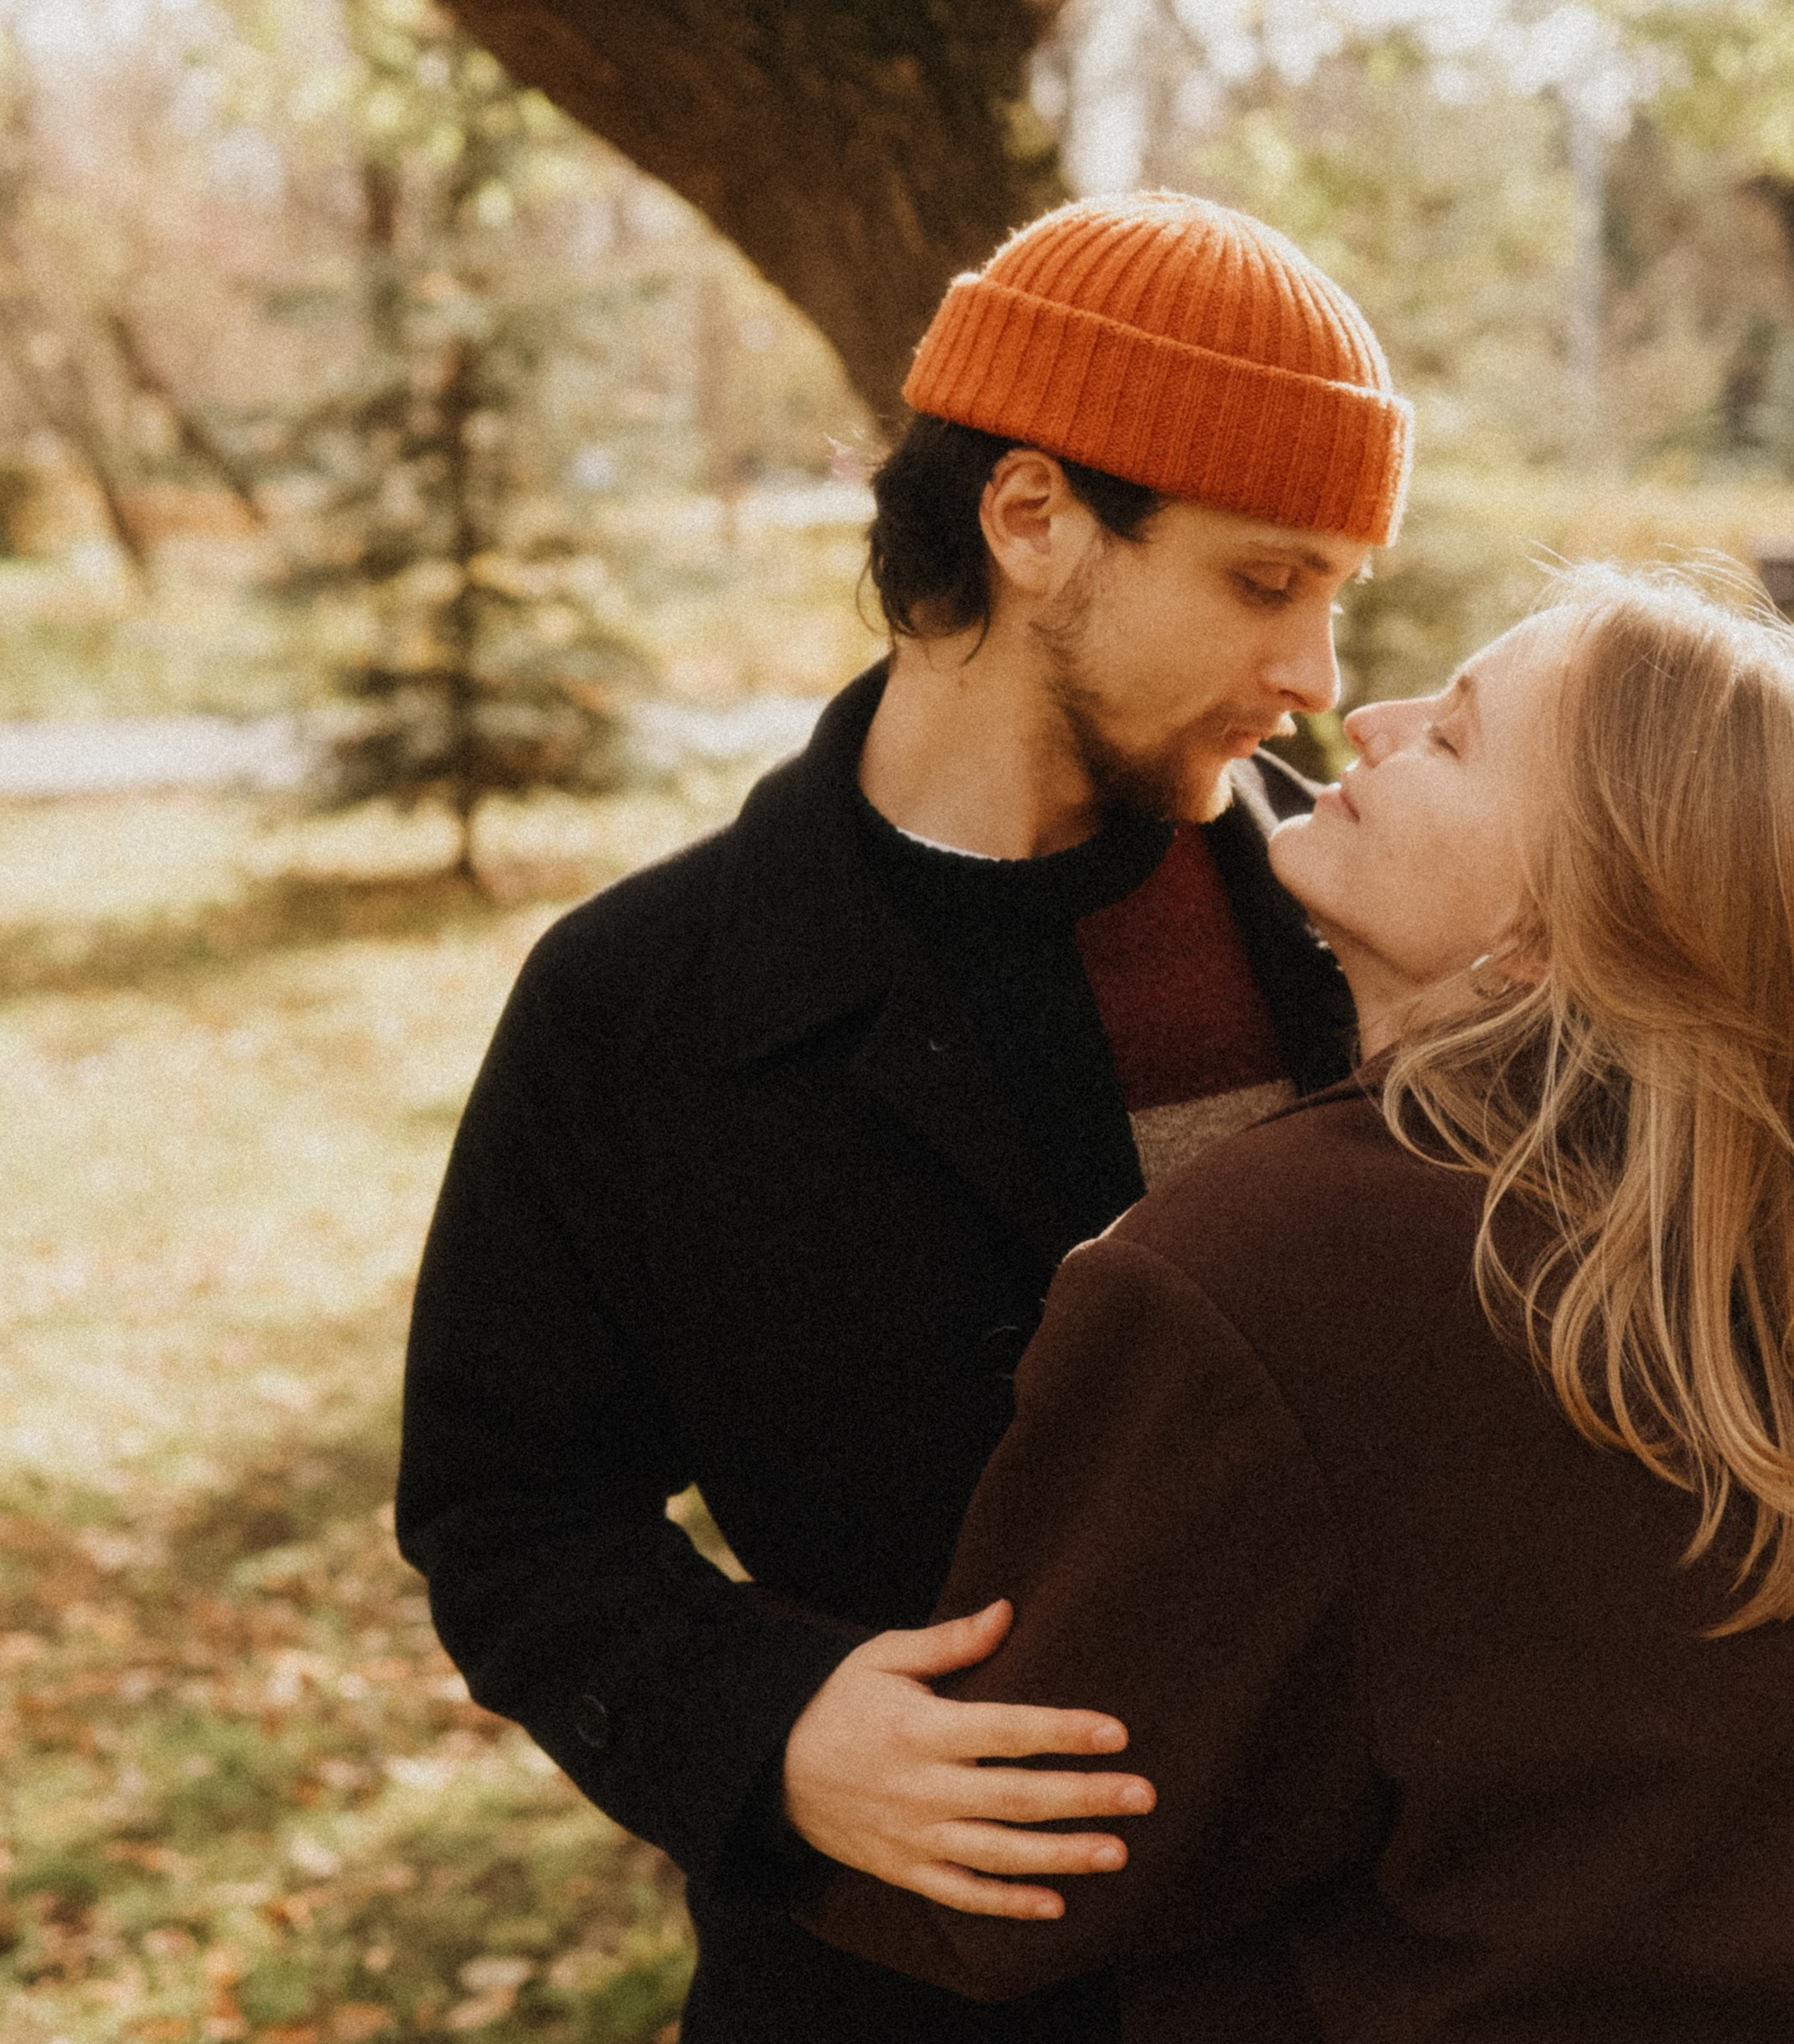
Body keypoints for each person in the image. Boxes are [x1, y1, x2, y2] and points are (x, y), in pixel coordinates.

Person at [396, 191, 1413, 2041]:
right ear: (1031, 517)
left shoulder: (1374, 939)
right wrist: (769, 1730)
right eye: (1265, 580)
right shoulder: (638, 1001)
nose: (1311, 682)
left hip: (1346, 1979)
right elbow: (509, 1509)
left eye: (1338, 593)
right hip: (874, 1996)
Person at [806, 562, 1794, 2040]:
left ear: (1548, 925)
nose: (1367, 716)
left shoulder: (1258, 1274)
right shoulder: (1734, 1220)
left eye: (1454, 739)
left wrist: (775, 1753)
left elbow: (1029, 1863)